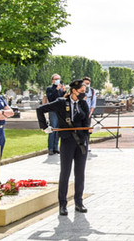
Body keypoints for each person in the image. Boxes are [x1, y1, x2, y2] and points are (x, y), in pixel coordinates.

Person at [37, 79, 96, 216]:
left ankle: (79, 202)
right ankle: (62, 204)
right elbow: (40, 109)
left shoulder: (83, 103)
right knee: (65, 173)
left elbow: (86, 122)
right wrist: (44, 126)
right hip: (67, 141)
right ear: (73, 91)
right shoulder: (61, 103)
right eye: (81, 91)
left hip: (81, 142)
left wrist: (90, 130)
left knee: (80, 173)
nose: (84, 94)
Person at [45, 74, 66, 155]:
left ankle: (56, 147)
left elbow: (63, 98)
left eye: (59, 79)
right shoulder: (49, 88)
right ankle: (50, 148)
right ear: (52, 80)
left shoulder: (60, 88)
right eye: (56, 79)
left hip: (60, 111)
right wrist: (56, 90)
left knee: (58, 130)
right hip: (53, 110)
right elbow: (51, 98)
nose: (58, 80)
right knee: (52, 128)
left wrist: (64, 91)